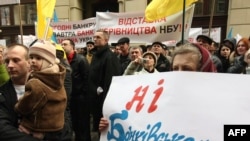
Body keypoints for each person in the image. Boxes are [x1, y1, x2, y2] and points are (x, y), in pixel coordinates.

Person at [14, 40, 67, 134]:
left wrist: (17, 106)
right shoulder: (56, 76)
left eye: (38, 58)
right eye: (31, 57)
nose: (33, 61)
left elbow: (25, 107)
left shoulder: (36, 83)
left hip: (37, 128)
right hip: (55, 126)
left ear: (48, 61)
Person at [88, 29, 121, 138]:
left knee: (105, 131)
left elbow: (110, 81)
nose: (95, 39)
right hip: (96, 99)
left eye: (98, 37)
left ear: (106, 40)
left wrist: (106, 103)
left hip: (104, 101)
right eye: (94, 37)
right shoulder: (96, 55)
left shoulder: (109, 57)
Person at [61, 38, 91, 141]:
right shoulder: (62, 61)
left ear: (72, 47)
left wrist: (83, 94)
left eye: (65, 44)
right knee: (73, 123)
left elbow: (87, 78)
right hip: (69, 98)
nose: (62, 46)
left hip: (80, 98)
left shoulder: (81, 59)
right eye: (62, 44)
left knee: (82, 124)